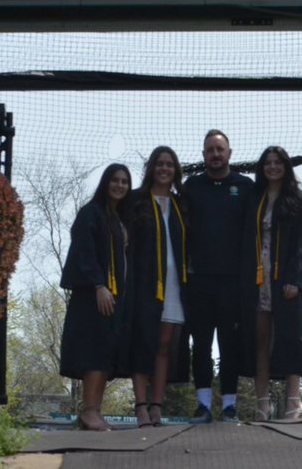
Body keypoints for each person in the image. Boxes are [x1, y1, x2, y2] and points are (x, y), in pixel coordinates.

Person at [240, 146, 302, 421]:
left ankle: (293, 401)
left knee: (290, 338)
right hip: (258, 279)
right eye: (268, 162)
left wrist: (295, 280)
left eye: (278, 162)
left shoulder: (301, 200)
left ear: (286, 167)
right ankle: (263, 404)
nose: (272, 167)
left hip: (285, 280)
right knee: (260, 340)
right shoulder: (254, 199)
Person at [183, 129, 254, 423]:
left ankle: (228, 406)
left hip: (233, 282)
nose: (215, 154)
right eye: (210, 150)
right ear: (203, 155)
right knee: (200, 343)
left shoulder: (245, 187)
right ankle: (202, 405)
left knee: (230, 344)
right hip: (199, 281)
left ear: (230, 153)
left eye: (220, 149)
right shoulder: (191, 187)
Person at [59, 163, 133, 431]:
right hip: (94, 297)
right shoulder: (90, 213)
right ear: (105, 182)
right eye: (115, 180)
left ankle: (94, 411)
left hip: (115, 297)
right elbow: (84, 252)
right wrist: (99, 285)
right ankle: (89, 410)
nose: (120, 185)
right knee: (93, 351)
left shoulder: (118, 218)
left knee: (105, 352)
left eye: (125, 181)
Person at [126, 146, 190, 427]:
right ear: (151, 168)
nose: (164, 169)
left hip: (175, 283)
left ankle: (156, 406)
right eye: (159, 164)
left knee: (165, 345)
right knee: (143, 343)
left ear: (175, 171)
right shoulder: (137, 201)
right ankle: (140, 406)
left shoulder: (181, 204)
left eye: (169, 165)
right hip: (145, 283)